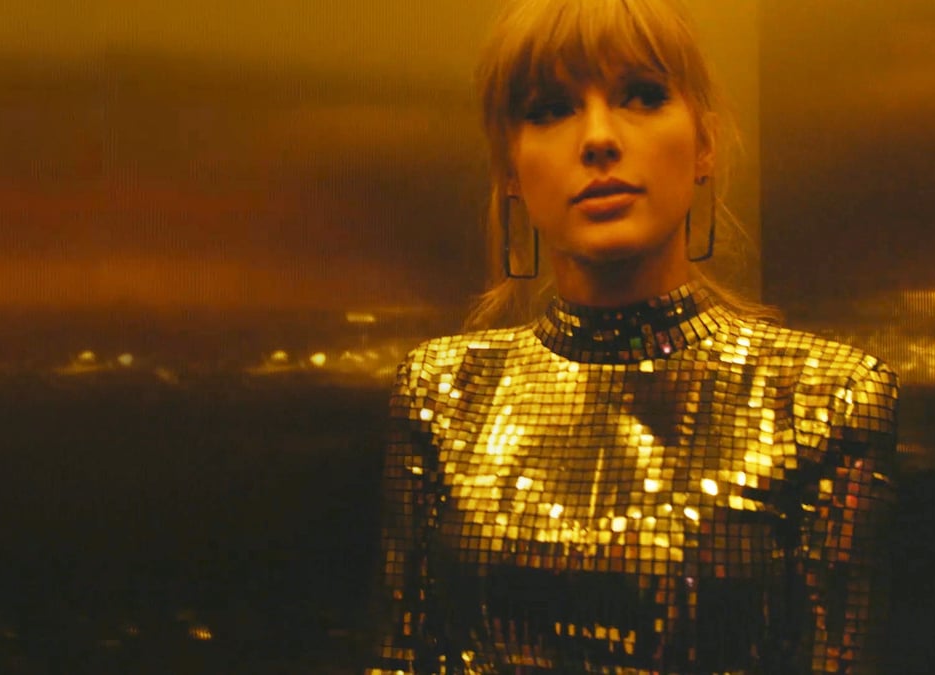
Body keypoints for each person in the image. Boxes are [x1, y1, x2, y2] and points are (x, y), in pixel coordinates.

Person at [366, 1, 899, 673]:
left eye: (643, 96)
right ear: (510, 169)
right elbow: (401, 653)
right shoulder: (445, 389)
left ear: (704, 143)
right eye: (550, 109)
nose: (598, 138)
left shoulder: (824, 396)